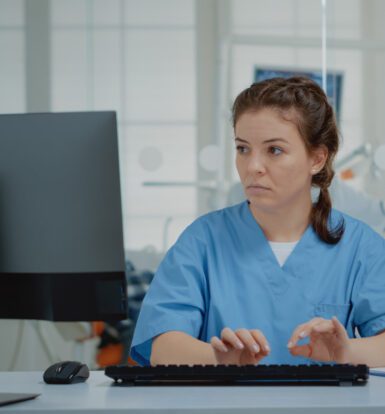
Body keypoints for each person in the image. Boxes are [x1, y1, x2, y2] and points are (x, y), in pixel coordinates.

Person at [130, 77, 385, 367]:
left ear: (317, 158)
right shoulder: (202, 241)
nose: (252, 167)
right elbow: (163, 346)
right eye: (243, 149)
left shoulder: (361, 248)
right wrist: (220, 358)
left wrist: (345, 352)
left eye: (274, 150)